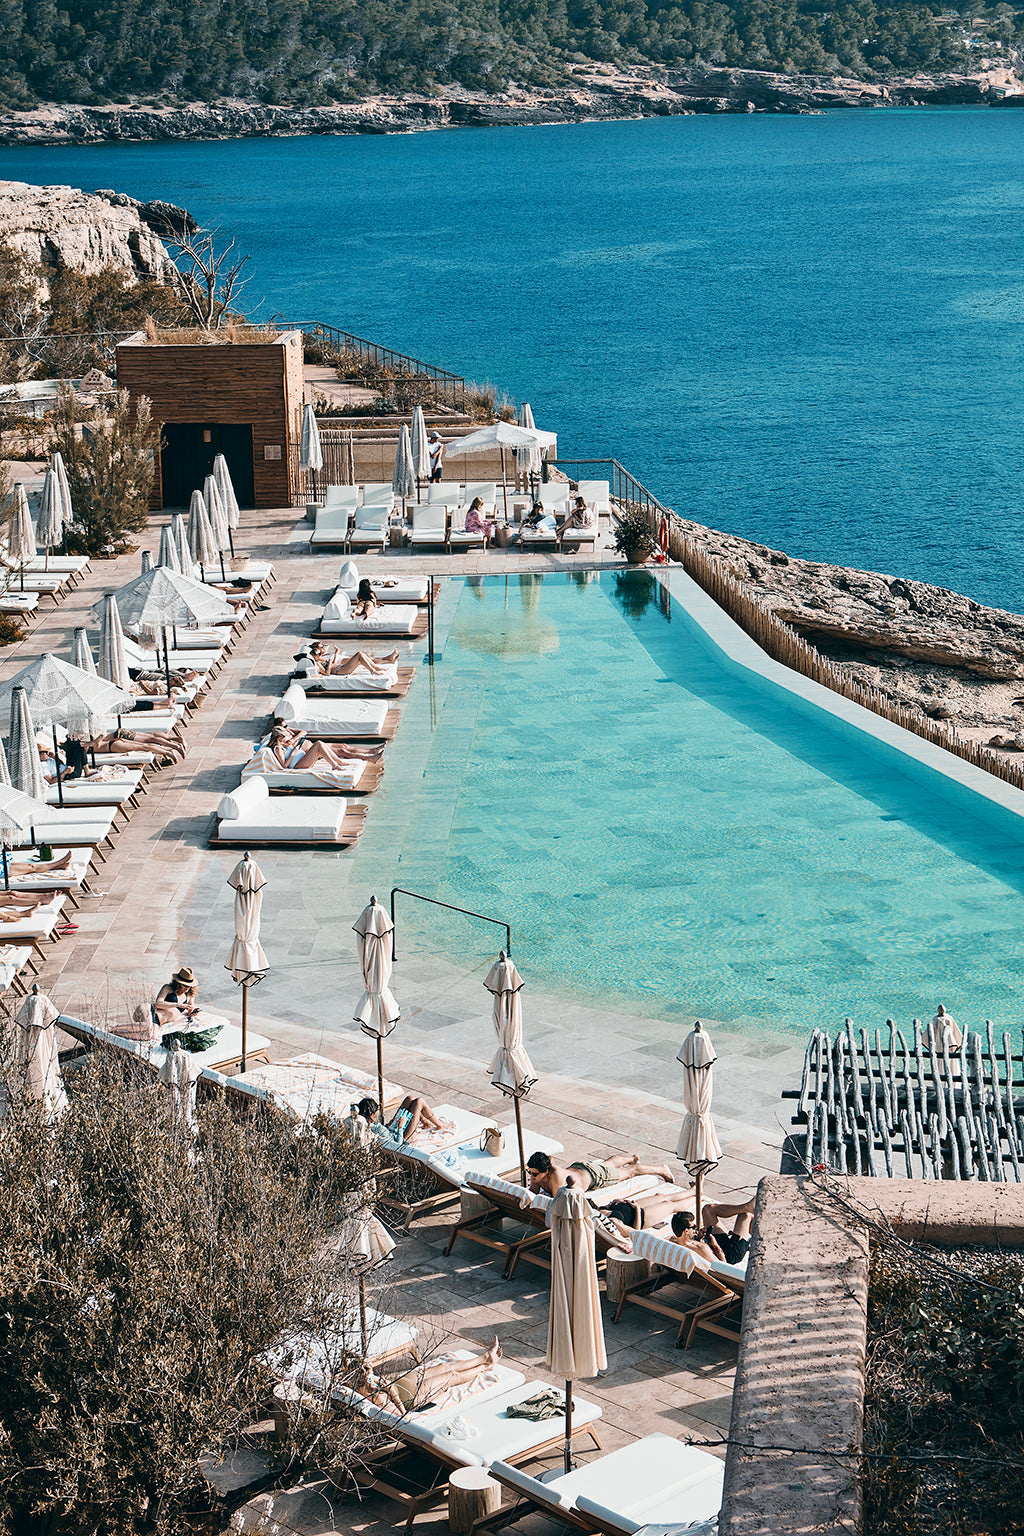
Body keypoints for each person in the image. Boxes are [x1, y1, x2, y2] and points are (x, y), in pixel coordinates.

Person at [355, 1339, 502, 1413]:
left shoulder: (368, 1383)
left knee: (444, 1366)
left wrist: (384, 1384)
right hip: (412, 1396)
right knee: (451, 1376)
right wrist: (390, 1391)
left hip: (402, 1382)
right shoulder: (376, 1398)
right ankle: (486, 1366)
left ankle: (484, 1357)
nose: (370, 1375)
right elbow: (400, 1415)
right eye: (367, 1374)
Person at [526, 1150, 674, 1196]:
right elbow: (532, 1193)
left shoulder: (556, 1175)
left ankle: (661, 1169)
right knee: (607, 1164)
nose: (531, 1177)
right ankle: (632, 1158)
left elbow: (560, 1201)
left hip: (594, 1177)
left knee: (629, 1172)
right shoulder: (537, 1172)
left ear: (545, 1171)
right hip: (581, 1167)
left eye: (534, 1174)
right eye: (529, 1172)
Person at [264, 724, 382, 771]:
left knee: (328, 746)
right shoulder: (278, 748)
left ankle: (339, 762)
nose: (287, 738)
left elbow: (303, 732)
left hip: (303, 759)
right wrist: (294, 752)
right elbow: (284, 766)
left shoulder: (284, 745)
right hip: (298, 765)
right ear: (279, 738)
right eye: (284, 737)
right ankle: (336, 765)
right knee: (319, 744)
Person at [356, 1094, 455, 1145]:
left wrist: (388, 1125)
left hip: (391, 1130)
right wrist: (400, 1127)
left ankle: (426, 1123)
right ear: (372, 1114)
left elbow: (383, 1134)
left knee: (409, 1099)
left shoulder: (361, 1122)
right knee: (419, 1102)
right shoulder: (375, 1128)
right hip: (405, 1139)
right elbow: (397, 1145)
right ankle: (440, 1125)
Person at [604, 1184, 696, 1236]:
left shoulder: (598, 1211)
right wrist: (636, 1209)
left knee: (661, 1197)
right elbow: (636, 1232)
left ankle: (693, 1191)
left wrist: (616, 1202)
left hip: (632, 1205)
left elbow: (609, 1206)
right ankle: (698, 1198)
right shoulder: (612, 1222)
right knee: (670, 1205)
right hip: (642, 1216)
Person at [698, 1197, 756, 1266]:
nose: (694, 1229)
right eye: (692, 1227)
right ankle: (758, 1234)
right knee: (745, 1215)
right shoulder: (690, 1246)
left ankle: (746, 1208)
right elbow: (723, 1264)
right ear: (686, 1231)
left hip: (715, 1242)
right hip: (730, 1255)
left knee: (708, 1209)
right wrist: (715, 1244)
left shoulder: (686, 1243)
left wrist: (698, 1237)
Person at [304, 644, 399, 677]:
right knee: (359, 654)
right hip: (340, 671)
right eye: (319, 654)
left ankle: (376, 668)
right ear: (315, 657)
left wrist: (336, 653)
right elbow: (327, 673)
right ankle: (373, 671)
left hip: (341, 667)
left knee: (361, 654)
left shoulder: (321, 660)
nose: (321, 655)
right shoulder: (317, 664)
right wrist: (328, 664)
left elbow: (334, 663)